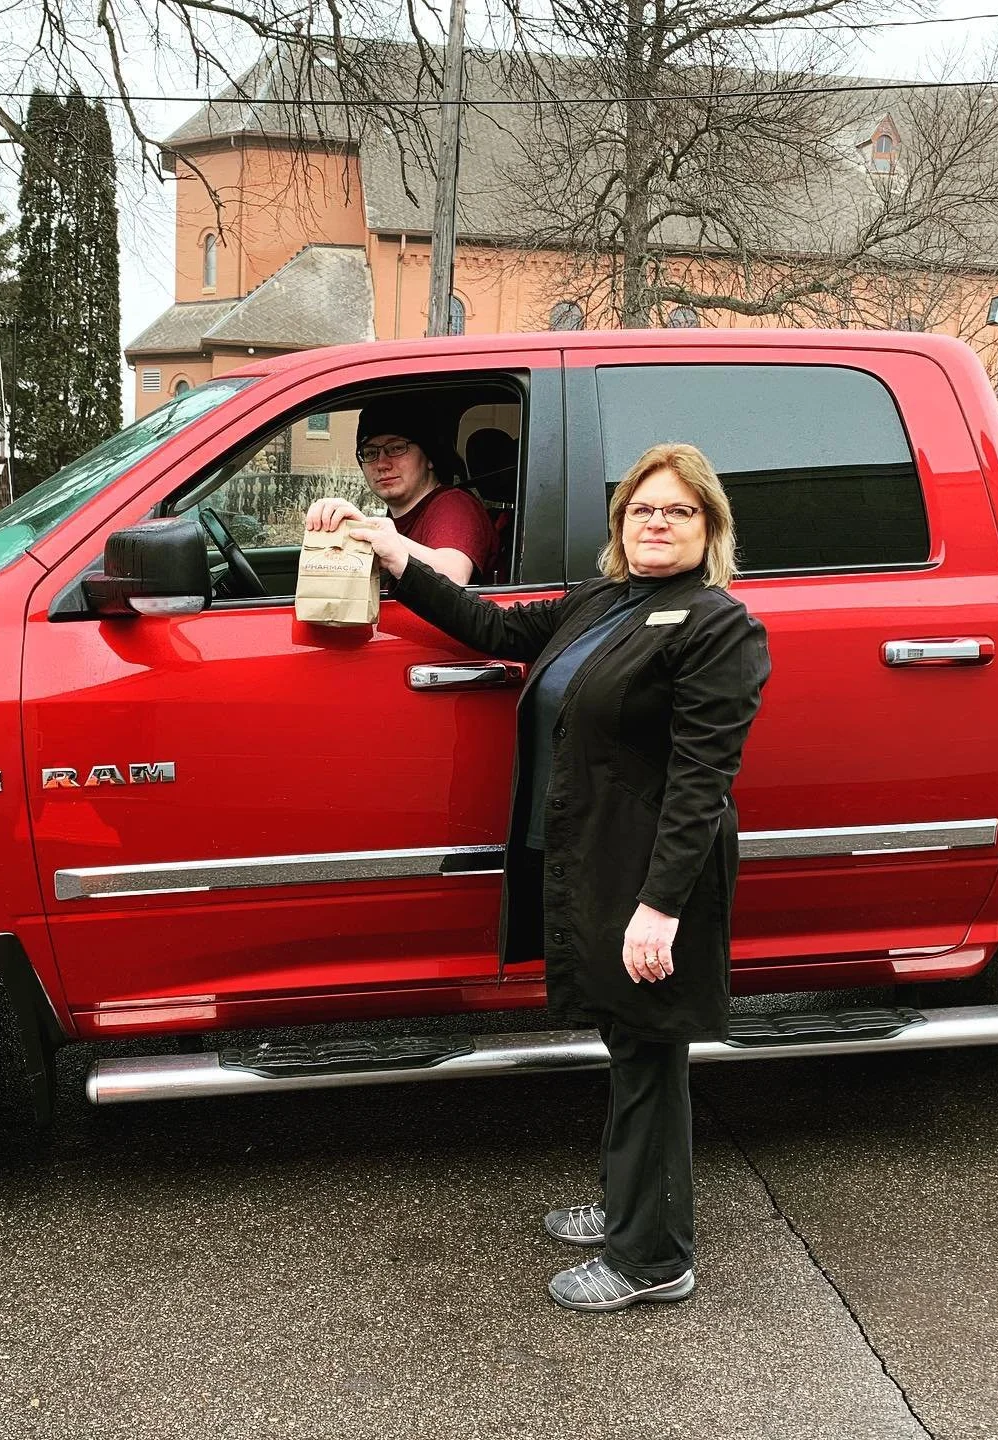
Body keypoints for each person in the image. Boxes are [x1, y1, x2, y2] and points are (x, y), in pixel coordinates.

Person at [306, 442, 770, 1314]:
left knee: (649, 1056)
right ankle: (630, 1207)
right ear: (620, 523)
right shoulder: (601, 602)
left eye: (677, 511)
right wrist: (389, 548)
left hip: (650, 880)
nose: (656, 524)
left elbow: (701, 782)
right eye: (641, 509)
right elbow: (493, 628)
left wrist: (659, 909)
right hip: (597, 864)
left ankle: (654, 1259)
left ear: (709, 527)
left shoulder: (718, 627)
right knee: (627, 1045)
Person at [316, 402, 499, 585]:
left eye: (396, 448)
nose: (382, 464)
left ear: (429, 458)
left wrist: (375, 534)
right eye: (370, 453)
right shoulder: (399, 516)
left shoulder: (453, 505)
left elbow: (453, 577)